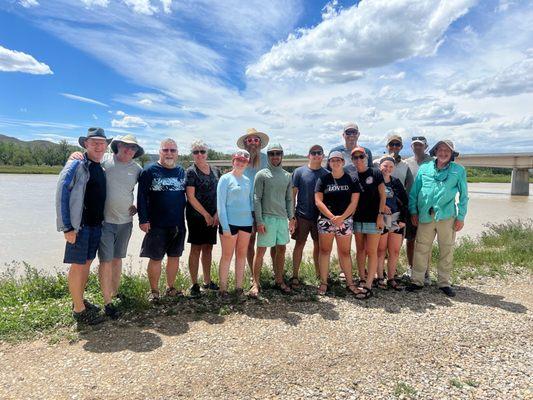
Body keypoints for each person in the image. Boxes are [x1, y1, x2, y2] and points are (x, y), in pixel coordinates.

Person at [68, 134, 144, 319]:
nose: (128, 150)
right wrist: (73, 155)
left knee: (118, 259)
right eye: (124, 146)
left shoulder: (138, 170)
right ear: (117, 146)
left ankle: (115, 292)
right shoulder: (105, 161)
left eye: (132, 148)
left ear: (135, 152)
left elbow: (146, 192)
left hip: (126, 222)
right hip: (105, 222)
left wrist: (139, 207)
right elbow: (86, 162)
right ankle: (107, 301)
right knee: (106, 261)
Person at [56, 127, 111, 325]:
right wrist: (67, 227)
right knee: (78, 266)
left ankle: (79, 301)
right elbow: (62, 193)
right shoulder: (77, 164)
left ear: (106, 146)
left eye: (101, 142)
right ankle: (79, 310)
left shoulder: (101, 167)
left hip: (96, 225)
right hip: (79, 227)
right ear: (85, 144)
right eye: (93, 142)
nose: (98, 146)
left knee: (86, 264)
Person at [407, 140, 468, 297]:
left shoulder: (459, 170)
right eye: (440, 149)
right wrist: (413, 211)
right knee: (421, 248)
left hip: (447, 216)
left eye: (447, 150)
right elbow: (414, 192)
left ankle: (443, 283)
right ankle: (417, 281)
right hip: (425, 215)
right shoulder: (424, 168)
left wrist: (460, 217)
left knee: (446, 249)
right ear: (435, 151)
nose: (443, 153)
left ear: (452, 153)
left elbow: (464, 196)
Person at [137, 138, 187, 303]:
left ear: (177, 153)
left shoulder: (181, 171)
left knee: (174, 257)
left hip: (178, 224)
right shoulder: (149, 171)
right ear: (160, 152)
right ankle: (154, 291)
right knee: (156, 258)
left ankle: (170, 287)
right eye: (166, 150)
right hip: (157, 224)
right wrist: (143, 219)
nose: (169, 153)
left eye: (172, 150)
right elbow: (142, 197)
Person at [249, 143, 295, 298]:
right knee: (260, 251)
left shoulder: (287, 176)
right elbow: (257, 198)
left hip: (282, 219)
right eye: (272, 153)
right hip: (267, 218)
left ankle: (279, 280)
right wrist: (259, 221)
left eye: (278, 153)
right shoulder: (261, 174)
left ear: (282, 155)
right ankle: (255, 282)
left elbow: (289, 199)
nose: (275, 156)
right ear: (268, 156)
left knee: (281, 249)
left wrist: (291, 218)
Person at [314, 151, 363, 297]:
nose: (335, 162)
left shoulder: (351, 179)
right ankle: (324, 282)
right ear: (329, 163)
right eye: (332, 160)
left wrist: (341, 218)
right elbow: (318, 201)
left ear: (343, 162)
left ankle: (350, 283)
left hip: (345, 221)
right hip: (326, 221)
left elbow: (354, 202)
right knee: (324, 251)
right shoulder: (323, 179)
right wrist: (331, 217)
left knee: (345, 252)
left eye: (338, 160)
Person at [289, 144, 328, 289]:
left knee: (319, 246)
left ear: (323, 156)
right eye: (313, 152)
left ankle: (319, 274)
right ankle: (294, 275)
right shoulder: (299, 172)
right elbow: (292, 195)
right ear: (308, 155)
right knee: (299, 245)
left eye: (319, 153)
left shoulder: (326, 174)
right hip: (302, 215)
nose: (316, 155)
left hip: (321, 217)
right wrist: (292, 216)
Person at [216, 149, 254, 298]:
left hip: (245, 223)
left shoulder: (247, 180)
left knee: (241, 255)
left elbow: (250, 202)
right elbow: (220, 204)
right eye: (238, 160)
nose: (240, 162)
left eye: (243, 161)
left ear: (247, 163)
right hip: (229, 224)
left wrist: (251, 221)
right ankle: (223, 289)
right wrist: (225, 227)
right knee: (227, 256)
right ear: (233, 161)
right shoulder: (225, 179)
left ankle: (239, 287)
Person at [185, 140, 220, 297]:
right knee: (196, 248)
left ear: (207, 153)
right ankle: (194, 284)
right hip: (196, 216)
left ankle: (207, 281)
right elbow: (191, 197)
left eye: (202, 151)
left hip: (213, 216)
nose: (199, 155)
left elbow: (220, 194)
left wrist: (217, 214)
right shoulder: (190, 172)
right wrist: (205, 214)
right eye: (196, 152)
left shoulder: (216, 170)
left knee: (208, 248)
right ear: (192, 154)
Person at [352, 146, 386, 299]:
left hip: (374, 219)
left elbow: (383, 195)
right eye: (355, 157)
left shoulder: (376, 173)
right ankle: (361, 277)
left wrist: (380, 215)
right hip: (358, 219)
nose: (358, 159)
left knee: (372, 252)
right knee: (360, 250)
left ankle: (369, 284)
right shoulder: (352, 176)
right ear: (352, 160)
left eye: (361, 156)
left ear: (366, 157)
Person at [237, 128, 269, 271]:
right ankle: (252, 272)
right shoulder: (240, 159)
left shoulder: (267, 158)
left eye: (256, 140)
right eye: (249, 140)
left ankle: (260, 272)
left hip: (263, 206)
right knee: (249, 241)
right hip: (245, 207)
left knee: (264, 241)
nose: (253, 143)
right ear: (245, 143)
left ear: (260, 143)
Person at [376, 157, 409, 291]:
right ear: (380, 166)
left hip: (396, 219)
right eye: (385, 166)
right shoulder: (376, 182)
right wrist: (381, 207)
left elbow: (405, 202)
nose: (387, 169)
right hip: (381, 219)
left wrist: (403, 220)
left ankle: (391, 278)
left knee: (394, 251)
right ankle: (379, 277)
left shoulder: (396, 182)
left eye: (391, 167)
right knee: (380, 251)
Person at [403, 136, 433, 283]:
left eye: (420, 145)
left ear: (426, 146)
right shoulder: (406, 163)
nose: (417, 147)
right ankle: (411, 267)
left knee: (426, 241)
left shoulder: (433, 162)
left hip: (427, 207)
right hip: (410, 206)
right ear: (411, 147)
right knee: (410, 239)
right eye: (415, 145)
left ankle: (425, 271)